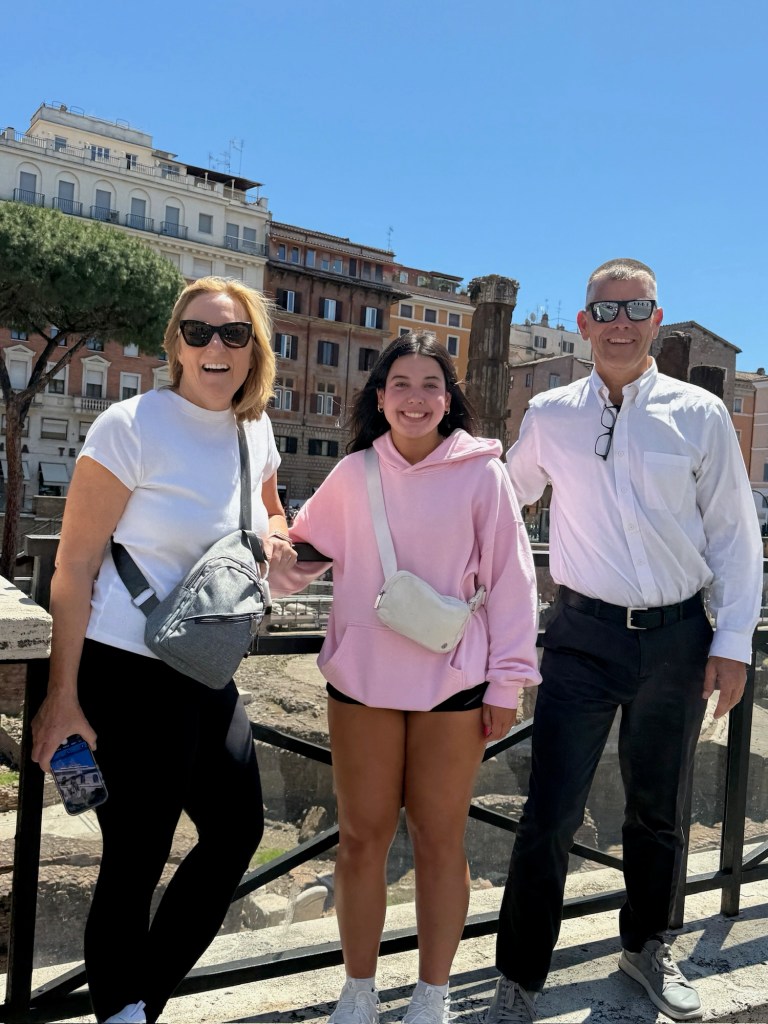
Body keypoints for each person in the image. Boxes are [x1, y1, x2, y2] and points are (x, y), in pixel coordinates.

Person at [486, 259, 764, 1024]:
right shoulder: (549, 414)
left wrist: (733, 641)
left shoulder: (700, 414)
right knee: (550, 811)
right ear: (583, 323)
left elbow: (734, 533)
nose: (620, 323)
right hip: (581, 635)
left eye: (636, 309)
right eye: (606, 310)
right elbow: (504, 500)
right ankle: (519, 974)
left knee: (658, 811)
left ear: (656, 320)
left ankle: (647, 947)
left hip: (678, 638)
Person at [31, 276, 297, 1024]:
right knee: (136, 857)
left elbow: (273, 512)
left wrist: (280, 543)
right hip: (124, 668)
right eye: (198, 331)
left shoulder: (255, 430)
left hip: (207, 667)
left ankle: (136, 1004)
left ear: (253, 350)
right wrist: (62, 697)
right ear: (174, 342)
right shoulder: (130, 425)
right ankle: (126, 1011)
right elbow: (73, 567)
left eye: (234, 334)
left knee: (236, 833)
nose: (216, 347)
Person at [286, 332, 541, 1024]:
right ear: (379, 398)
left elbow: (513, 583)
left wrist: (507, 684)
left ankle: (433, 994)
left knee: (439, 839)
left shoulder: (484, 475)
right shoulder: (353, 474)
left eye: (431, 384)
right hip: (362, 682)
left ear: (449, 399)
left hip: (453, 684)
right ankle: (359, 990)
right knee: (360, 839)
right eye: (400, 383)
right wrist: (247, 542)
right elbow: (299, 557)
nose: (416, 397)